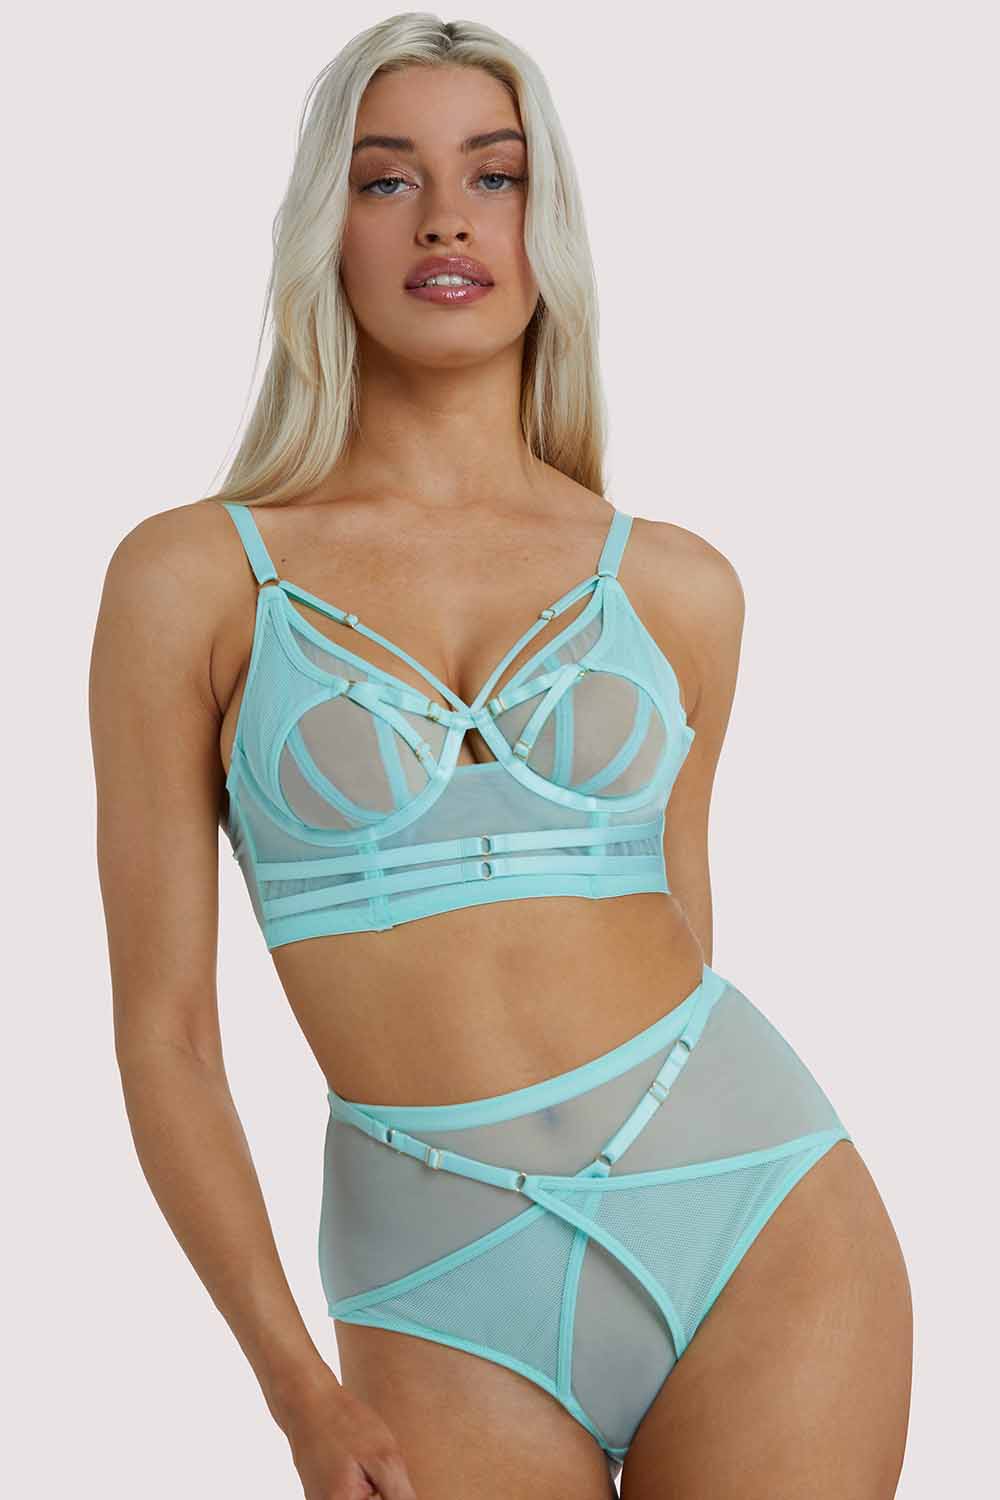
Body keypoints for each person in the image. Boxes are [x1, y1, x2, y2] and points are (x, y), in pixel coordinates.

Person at [89, 15, 913, 1499]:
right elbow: (168, 1036)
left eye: (496, 174)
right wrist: (296, 1389)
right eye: (387, 178)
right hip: (437, 1270)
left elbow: (680, 925)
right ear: (327, 230)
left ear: (550, 229)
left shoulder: (673, 587)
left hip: (754, 1211)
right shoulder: (194, 580)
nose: (447, 219)